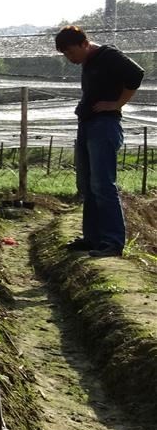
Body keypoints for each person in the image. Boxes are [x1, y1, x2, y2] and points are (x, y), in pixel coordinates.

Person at [56, 25, 145, 257]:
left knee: (103, 185)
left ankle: (112, 242)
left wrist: (117, 104)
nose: (69, 58)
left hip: (104, 126)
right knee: (87, 184)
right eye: (65, 54)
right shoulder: (90, 61)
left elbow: (137, 75)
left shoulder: (108, 56)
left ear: (85, 44)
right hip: (88, 125)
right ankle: (93, 238)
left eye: (71, 52)